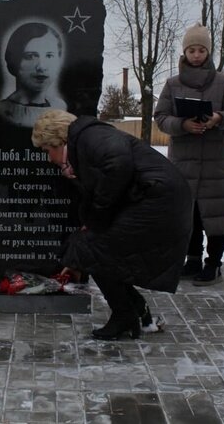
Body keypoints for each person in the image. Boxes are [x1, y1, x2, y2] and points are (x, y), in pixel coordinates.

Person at [31, 109, 192, 340]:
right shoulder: (84, 142)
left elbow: (118, 165)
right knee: (91, 247)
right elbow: (102, 185)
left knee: (91, 249)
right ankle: (133, 310)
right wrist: (91, 221)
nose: (49, 158)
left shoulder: (90, 137)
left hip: (158, 201)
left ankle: (125, 316)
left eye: (47, 150)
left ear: (58, 141)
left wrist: (97, 220)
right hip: (153, 199)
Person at [155, 23, 224, 286]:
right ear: (184, 52)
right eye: (191, 49)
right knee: (188, 214)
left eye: (201, 49)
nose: (196, 55)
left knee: (215, 215)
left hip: (216, 162)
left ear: (208, 52)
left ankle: (213, 264)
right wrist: (183, 125)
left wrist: (217, 118)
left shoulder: (223, 82)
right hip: (184, 160)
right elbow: (160, 117)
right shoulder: (172, 84)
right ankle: (191, 259)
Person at [0, 22, 67, 127]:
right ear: (13, 61)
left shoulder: (61, 108)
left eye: (49, 56)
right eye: (30, 56)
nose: (41, 67)